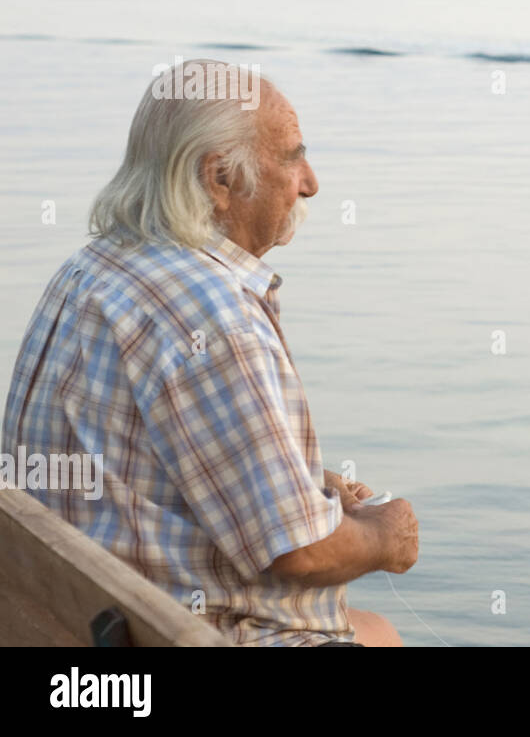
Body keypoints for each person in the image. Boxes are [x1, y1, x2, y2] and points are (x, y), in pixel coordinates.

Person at [1, 59, 418, 646]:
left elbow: (140, 463)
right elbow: (300, 551)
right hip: (178, 636)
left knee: (378, 631)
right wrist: (387, 534)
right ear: (220, 179)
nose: (310, 182)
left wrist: (301, 481)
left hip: (83, 623)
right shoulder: (210, 311)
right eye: (293, 157)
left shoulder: (91, 268)